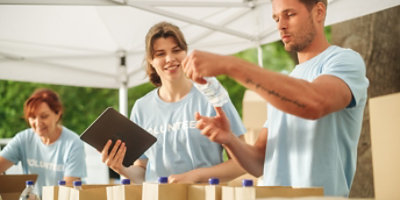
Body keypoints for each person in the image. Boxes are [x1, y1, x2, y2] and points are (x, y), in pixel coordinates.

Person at [182, 0, 369, 197]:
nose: (280, 25)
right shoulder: (286, 85)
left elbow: (314, 103)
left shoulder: (344, 60)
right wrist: (228, 139)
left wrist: (231, 65)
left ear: (319, 12)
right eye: (276, 18)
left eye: (289, 14)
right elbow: (259, 163)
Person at [101, 22, 246, 184]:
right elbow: (143, 172)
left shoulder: (211, 94)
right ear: (151, 60)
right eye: (160, 54)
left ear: (186, 53)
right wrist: (122, 168)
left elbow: (242, 163)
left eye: (176, 50)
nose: (170, 59)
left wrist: (196, 176)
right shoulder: (141, 107)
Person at [0, 88, 87, 196]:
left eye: (44, 116)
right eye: (32, 117)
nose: (37, 123)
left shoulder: (73, 143)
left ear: (58, 114)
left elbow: (69, 191)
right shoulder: (23, 139)